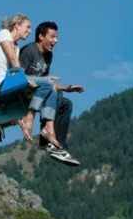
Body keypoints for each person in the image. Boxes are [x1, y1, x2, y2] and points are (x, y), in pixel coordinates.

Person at [0, 14, 64, 152]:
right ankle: (29, 118)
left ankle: (49, 129)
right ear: (16, 26)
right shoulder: (4, 34)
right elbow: (13, 60)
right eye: (27, 27)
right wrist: (24, 80)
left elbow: (14, 64)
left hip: (9, 83)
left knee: (51, 86)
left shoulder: (17, 47)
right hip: (2, 85)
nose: (30, 31)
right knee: (47, 84)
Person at [19, 21, 84, 166]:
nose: (56, 41)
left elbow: (47, 82)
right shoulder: (29, 51)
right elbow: (18, 76)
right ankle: (47, 136)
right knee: (52, 90)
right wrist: (44, 82)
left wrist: (67, 88)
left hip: (41, 93)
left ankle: (56, 146)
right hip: (24, 94)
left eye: (57, 37)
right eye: (53, 37)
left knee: (65, 104)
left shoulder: (49, 56)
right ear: (41, 36)